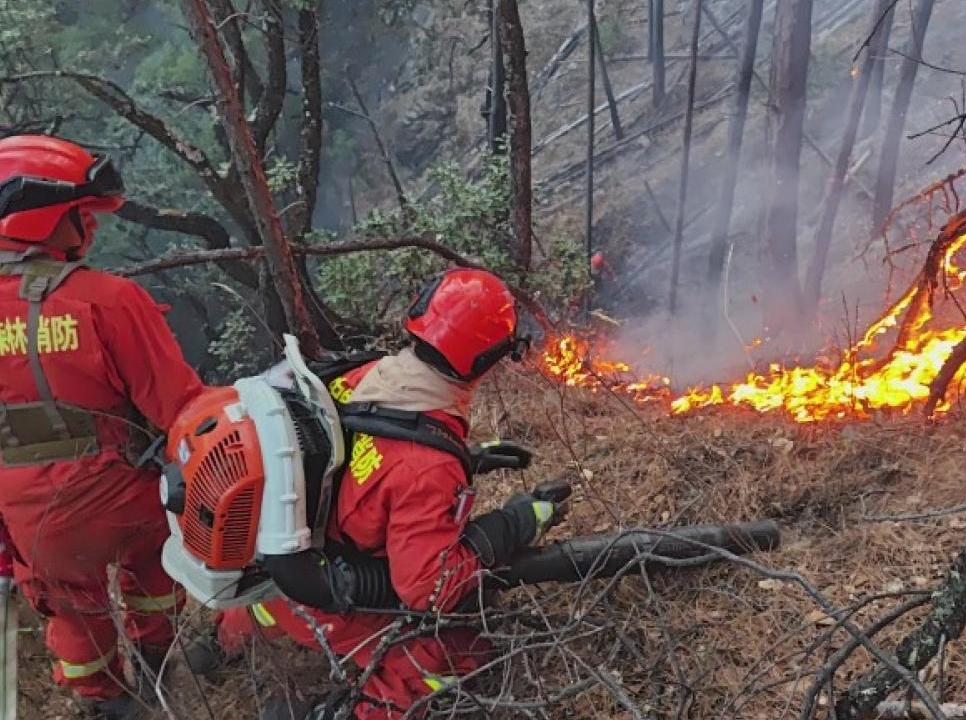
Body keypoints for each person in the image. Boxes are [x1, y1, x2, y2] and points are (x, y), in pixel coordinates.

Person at [214, 268, 562, 720]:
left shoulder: (365, 374)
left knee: (273, 607)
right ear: (490, 359)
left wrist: (468, 457)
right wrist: (516, 521)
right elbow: (428, 591)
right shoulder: (427, 468)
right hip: (326, 593)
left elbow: (373, 461)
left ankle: (223, 639)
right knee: (452, 657)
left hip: (272, 572)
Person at [0, 135, 205, 719]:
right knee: (155, 569)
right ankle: (158, 666)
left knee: (72, 612)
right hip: (128, 500)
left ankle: (107, 704)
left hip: (36, 521)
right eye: (80, 216)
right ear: (42, 218)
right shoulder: (110, 301)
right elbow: (179, 409)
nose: (90, 229)